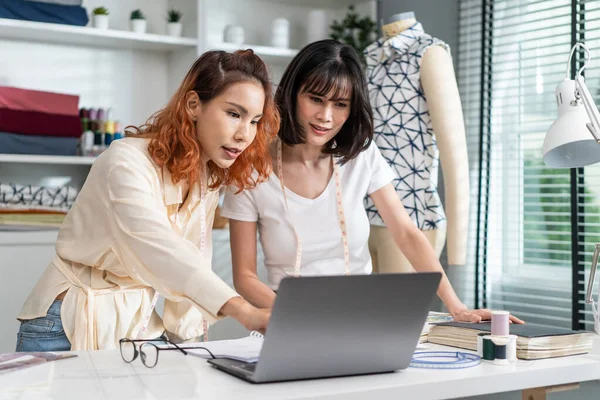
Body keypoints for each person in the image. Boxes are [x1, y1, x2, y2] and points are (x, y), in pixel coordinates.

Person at [221, 40, 523, 324]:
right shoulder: (250, 169)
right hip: (290, 320)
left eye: (340, 104)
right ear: (292, 94)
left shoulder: (360, 156)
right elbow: (244, 276)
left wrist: (457, 308)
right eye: (315, 99)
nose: (326, 116)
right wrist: (300, 314)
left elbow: (406, 233)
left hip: (360, 320)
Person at [16, 49, 280, 352]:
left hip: (138, 323)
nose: (245, 134)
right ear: (194, 104)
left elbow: (194, 256)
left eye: (255, 121)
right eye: (234, 114)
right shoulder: (125, 161)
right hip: (63, 325)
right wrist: (241, 309)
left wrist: (191, 343)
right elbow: (159, 248)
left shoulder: (205, 175)